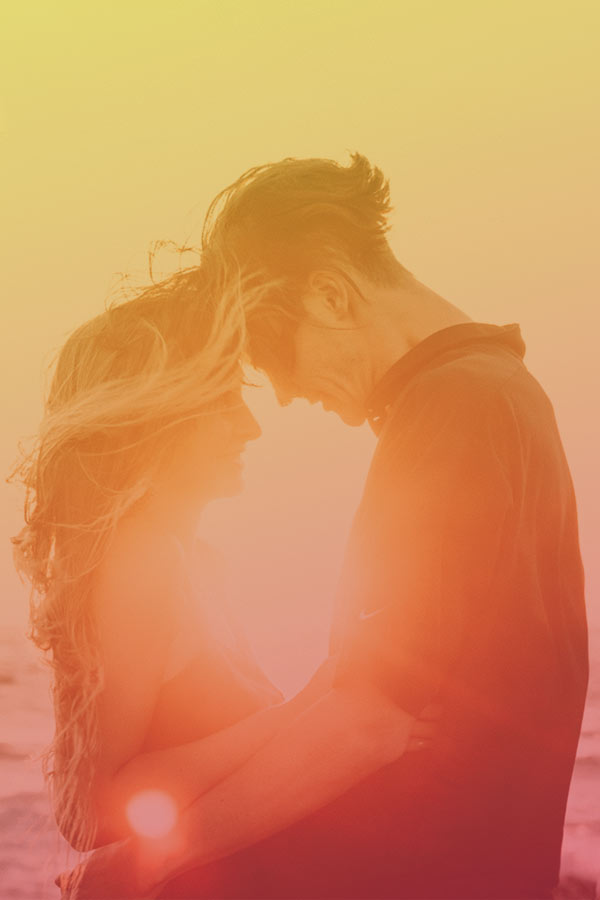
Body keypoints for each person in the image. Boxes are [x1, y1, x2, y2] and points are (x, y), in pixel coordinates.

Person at [63, 154, 588, 900]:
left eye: (272, 355)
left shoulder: (452, 408)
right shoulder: (496, 390)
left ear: (331, 295)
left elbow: (369, 716)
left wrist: (147, 863)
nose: (281, 396)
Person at [13, 263, 432, 898]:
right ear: (155, 417)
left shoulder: (201, 562)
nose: (251, 426)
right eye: (222, 401)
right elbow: (88, 808)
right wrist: (306, 711)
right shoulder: (142, 561)